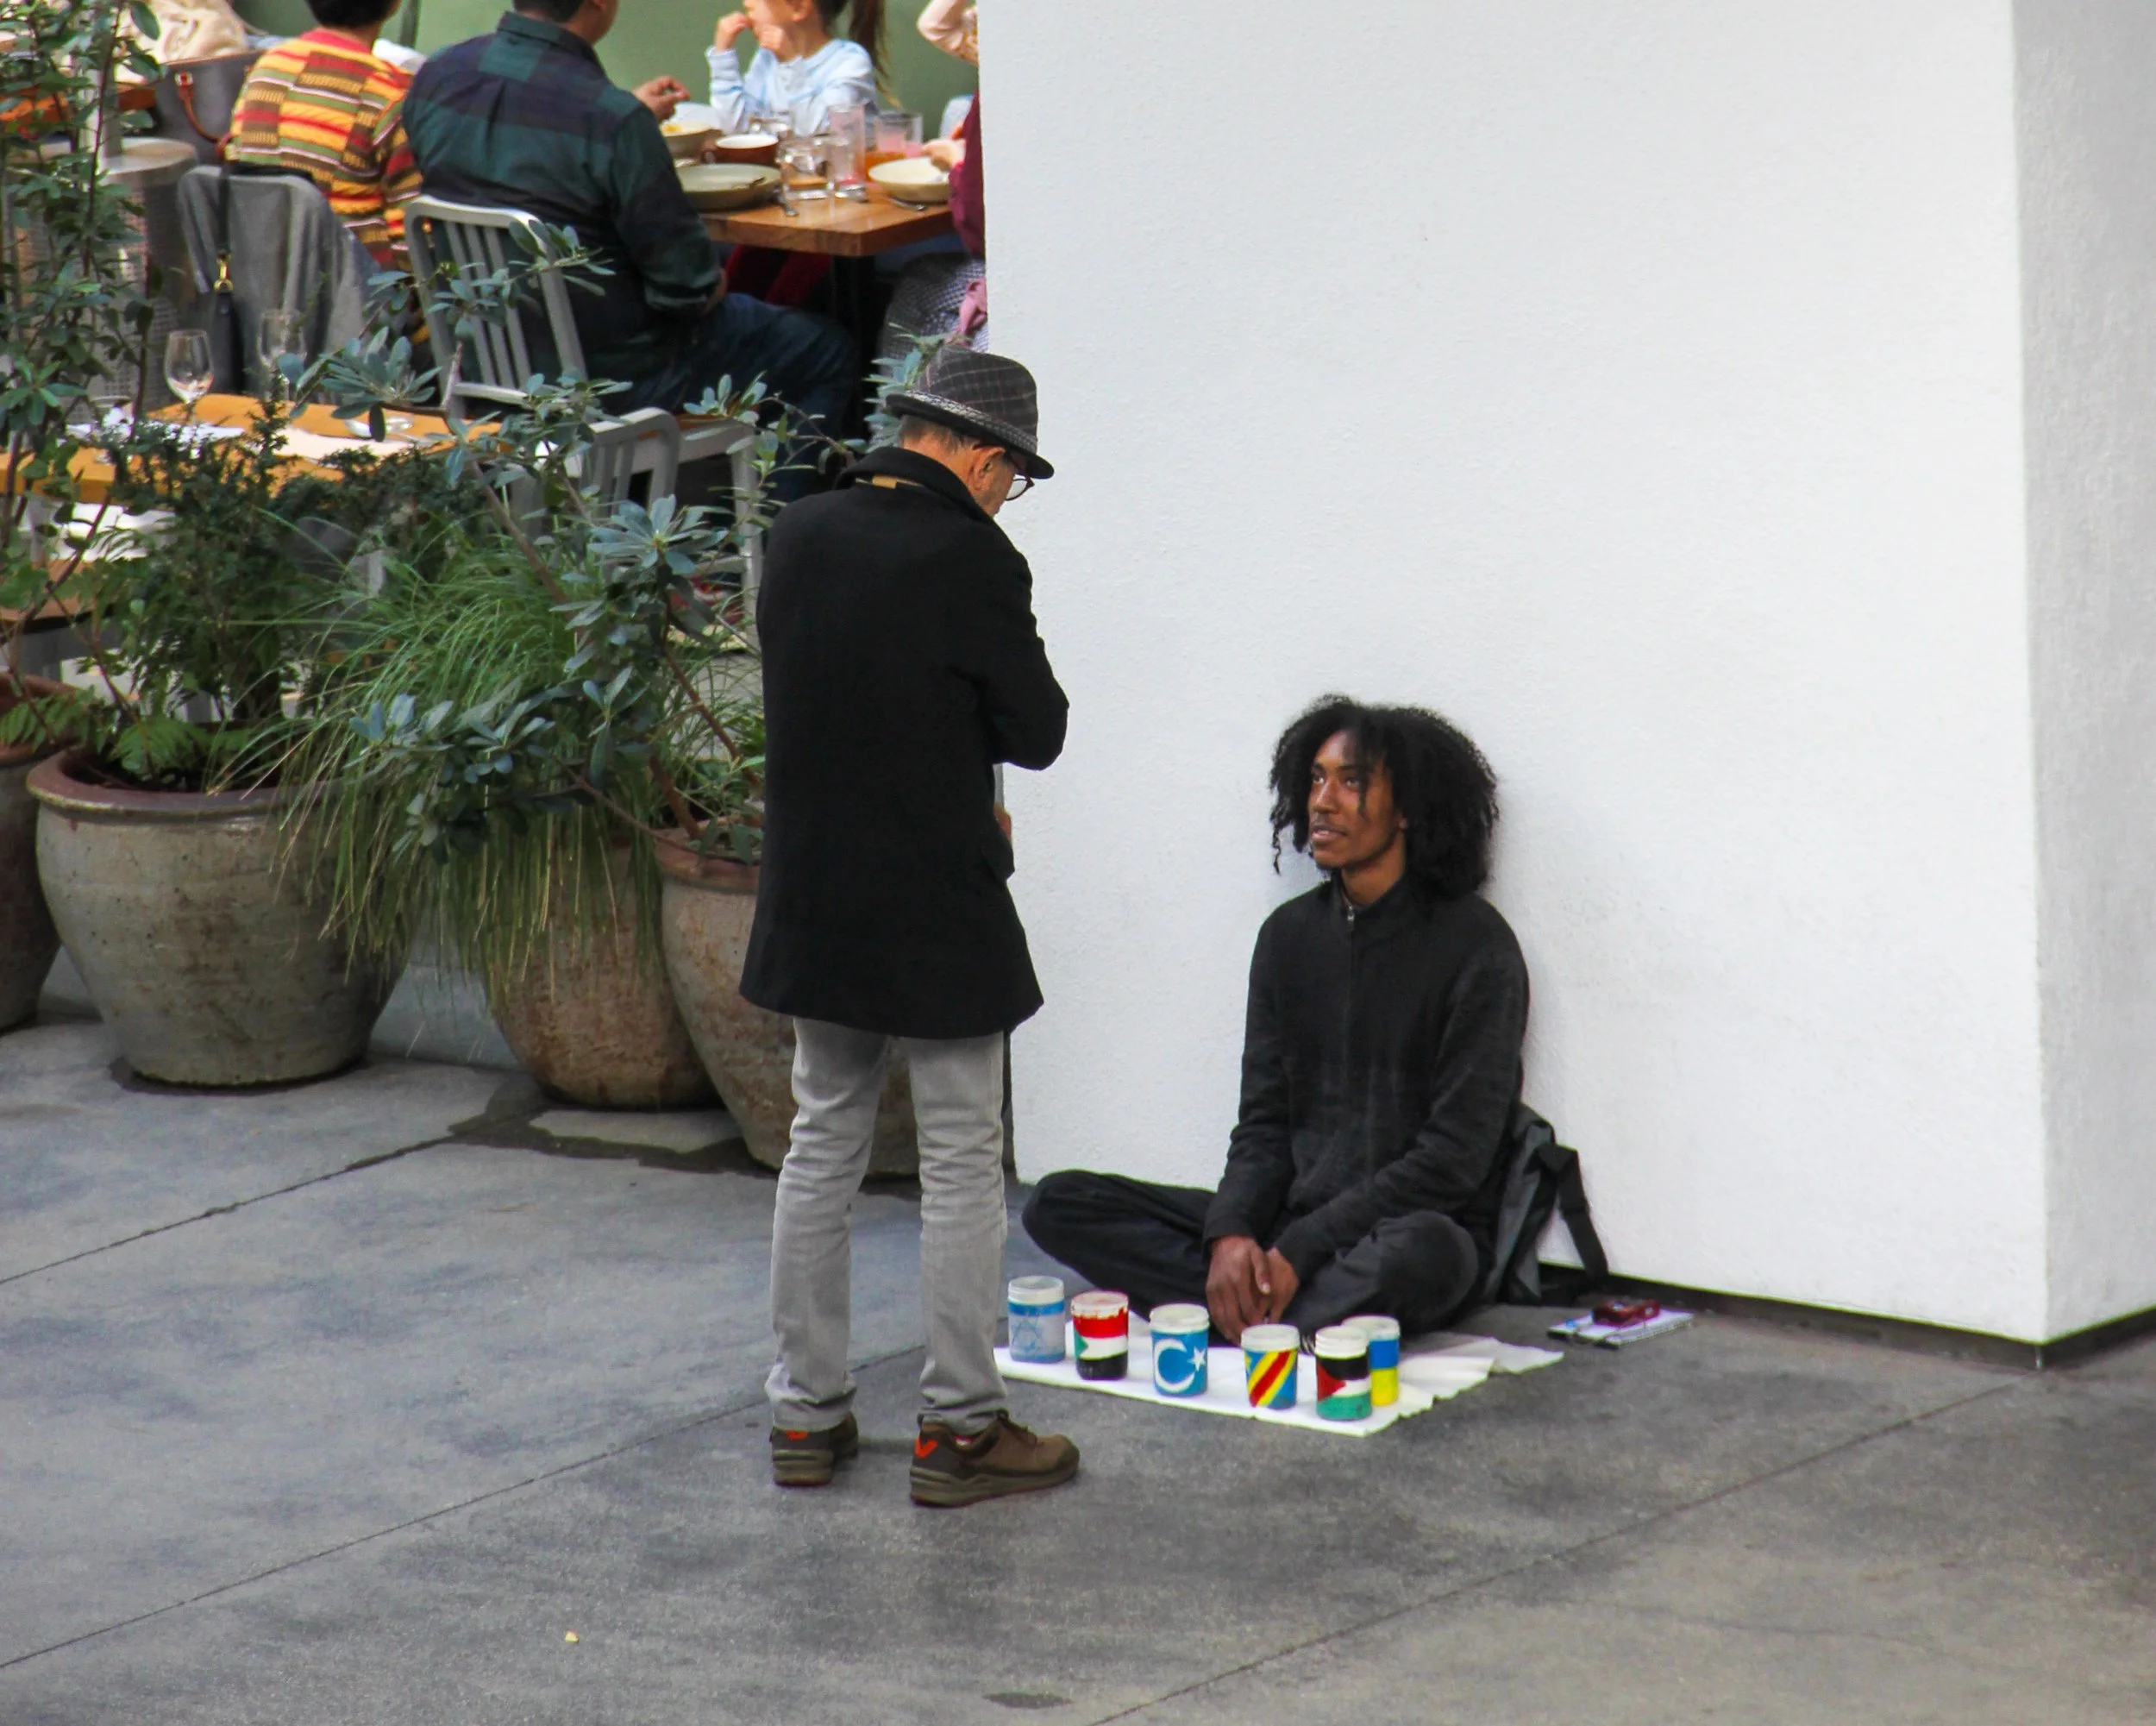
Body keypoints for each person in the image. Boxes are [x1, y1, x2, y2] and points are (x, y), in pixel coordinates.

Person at [745, 346, 1078, 1508]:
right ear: (981, 458)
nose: (1007, 498)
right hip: (937, 900)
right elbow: (1036, 731)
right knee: (959, 1160)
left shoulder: (799, 533)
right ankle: (961, 1428)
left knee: (821, 1137)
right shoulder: (970, 557)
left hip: (815, 890)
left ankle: (805, 1413)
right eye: (1013, 478)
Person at [1024, 697, 1527, 1344]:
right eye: (1315, 778)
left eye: (1351, 781)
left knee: (1427, 1253)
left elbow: (1452, 1161)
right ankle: (1268, 1307)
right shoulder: (1288, 938)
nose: (1323, 800)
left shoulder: (1477, 948)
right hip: (1288, 1230)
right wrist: (1233, 1235)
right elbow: (1263, 1122)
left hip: (1400, 1231)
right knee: (1060, 1202)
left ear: (1407, 809)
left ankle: (1244, 1313)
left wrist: (1302, 1247)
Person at [400, 0, 855, 440]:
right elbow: (686, 290)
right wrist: (716, 282)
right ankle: (763, 516)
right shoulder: (610, 117)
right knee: (826, 349)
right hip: (611, 380)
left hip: (478, 359)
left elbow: (508, 160)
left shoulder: (438, 76)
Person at [227, 0, 423, 269]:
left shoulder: (267, 68)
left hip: (258, 281)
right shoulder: (392, 94)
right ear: (394, 6)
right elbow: (412, 237)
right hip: (354, 293)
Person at [705, 0, 881, 135]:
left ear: (799, 8)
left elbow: (819, 133)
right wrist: (723, 57)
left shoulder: (849, 62)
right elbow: (736, 128)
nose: (747, 3)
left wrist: (790, 63)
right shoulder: (767, 58)